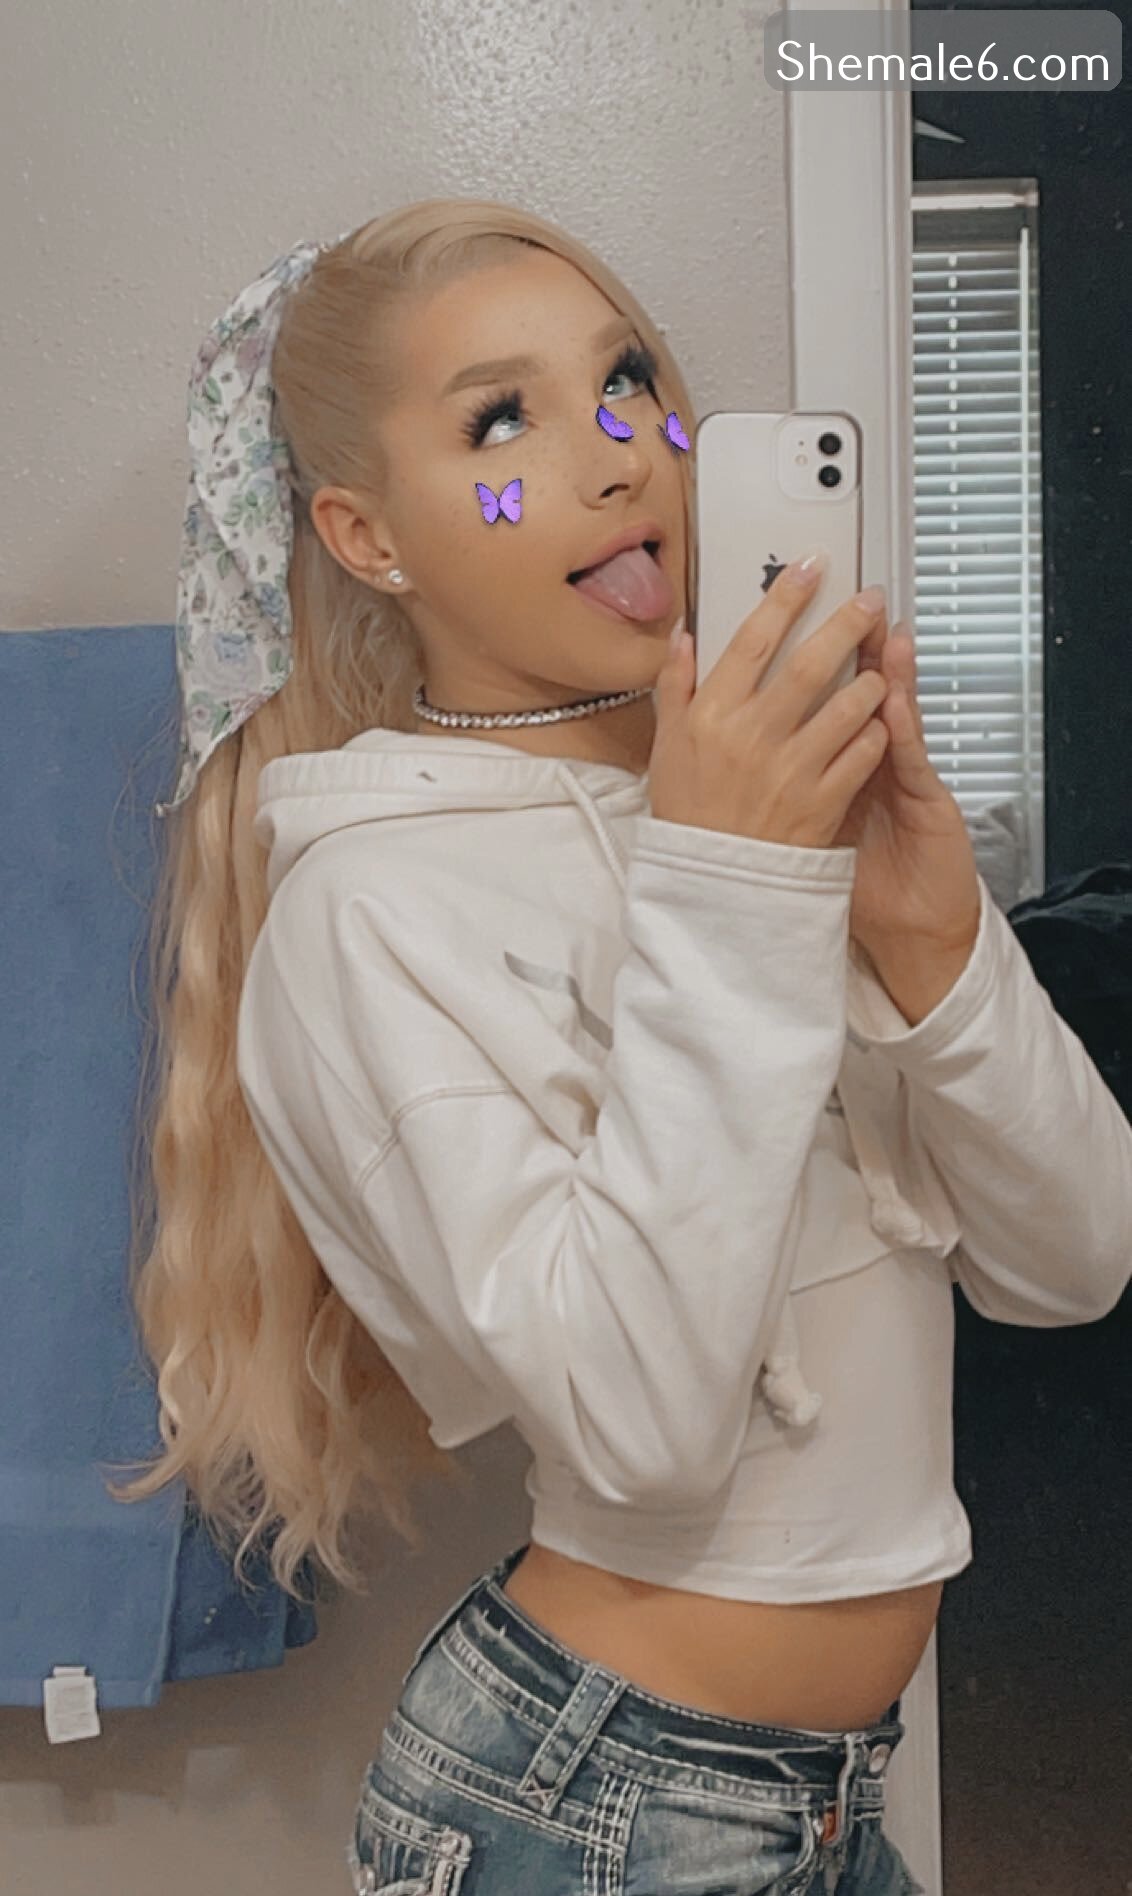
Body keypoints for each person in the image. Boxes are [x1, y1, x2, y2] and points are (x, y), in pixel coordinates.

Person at [111, 198, 1132, 1894]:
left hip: (824, 1800)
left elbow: (1076, 1260)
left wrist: (936, 948)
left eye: (627, 382)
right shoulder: (369, 909)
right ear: (368, 537)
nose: (610, 457)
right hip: (596, 1816)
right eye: (499, 425)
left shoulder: (743, 809)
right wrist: (733, 893)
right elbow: (643, 1428)